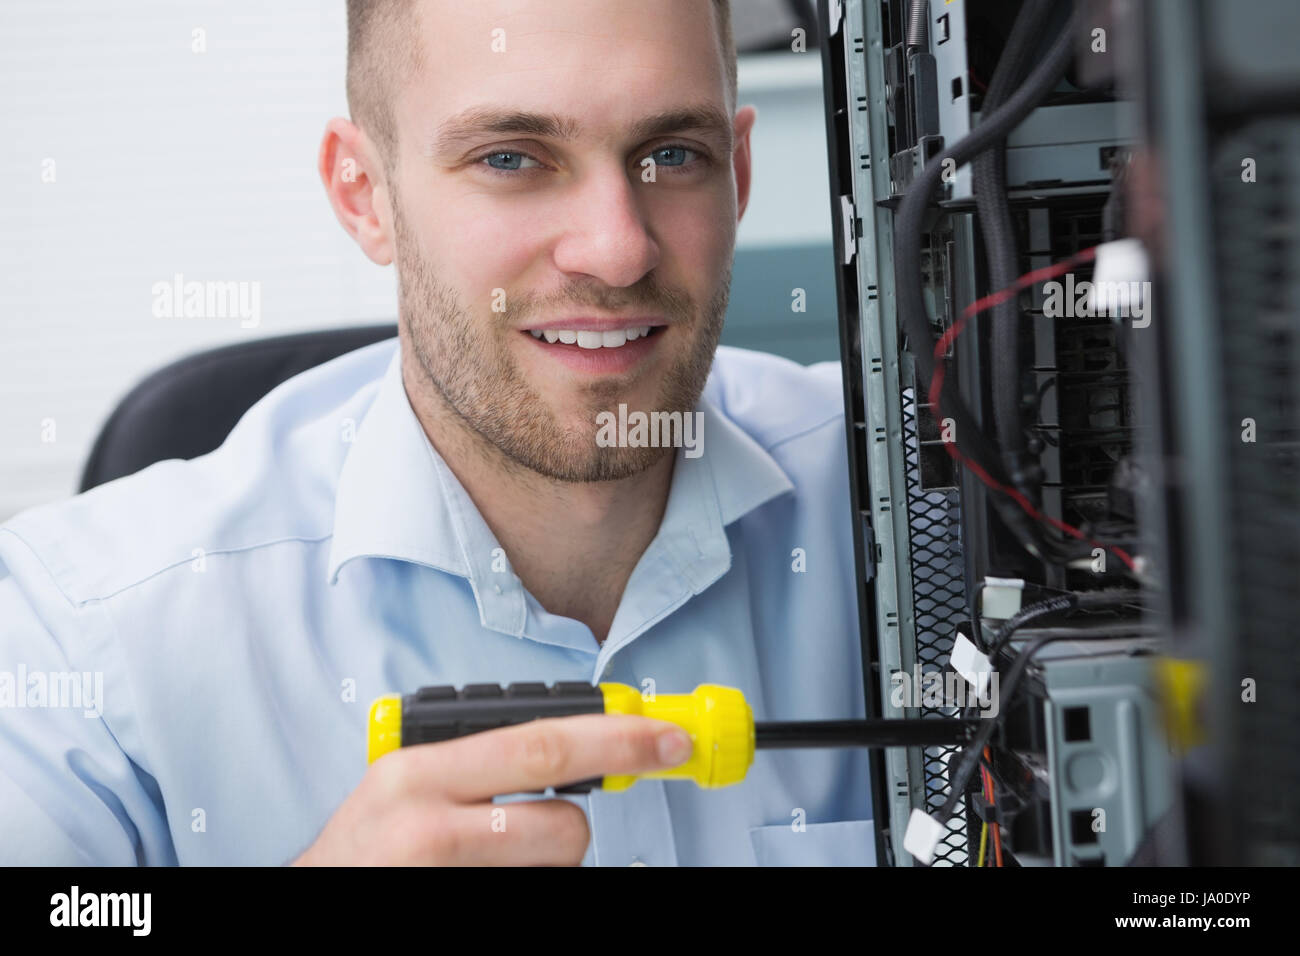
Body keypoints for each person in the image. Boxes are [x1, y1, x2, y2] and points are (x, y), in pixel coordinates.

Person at [0, 0, 873, 866]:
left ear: (741, 172)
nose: (616, 249)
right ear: (364, 194)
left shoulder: (917, 495)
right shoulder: (78, 638)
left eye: (673, 155)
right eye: (510, 158)